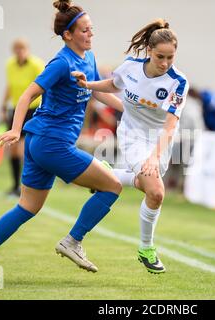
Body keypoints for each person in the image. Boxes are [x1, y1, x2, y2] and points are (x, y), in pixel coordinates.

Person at [0, 0, 123, 280]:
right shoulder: (61, 63)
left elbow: (98, 91)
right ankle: (73, 241)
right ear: (68, 35)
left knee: (27, 207)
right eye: (85, 30)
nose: (90, 34)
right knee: (112, 185)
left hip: (42, 144)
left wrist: (132, 111)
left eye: (91, 29)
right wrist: (16, 130)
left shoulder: (89, 58)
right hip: (52, 144)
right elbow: (27, 95)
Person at [72, 19, 189, 274]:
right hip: (132, 135)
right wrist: (88, 84)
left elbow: (170, 126)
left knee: (149, 187)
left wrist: (155, 157)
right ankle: (146, 249)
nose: (165, 63)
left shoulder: (178, 82)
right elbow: (113, 86)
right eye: (160, 56)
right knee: (157, 192)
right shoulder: (131, 68)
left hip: (159, 140)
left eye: (170, 57)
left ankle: (108, 174)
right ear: (149, 50)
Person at [1, 38, 45, 197]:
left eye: (23, 49)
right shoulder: (10, 65)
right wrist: (3, 105)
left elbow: (43, 87)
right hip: (17, 109)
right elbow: (10, 86)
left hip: (33, 109)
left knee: (25, 149)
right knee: (13, 150)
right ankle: (15, 186)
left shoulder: (36, 64)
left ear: (27, 49)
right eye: (17, 49)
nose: (20, 52)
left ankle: (28, 186)